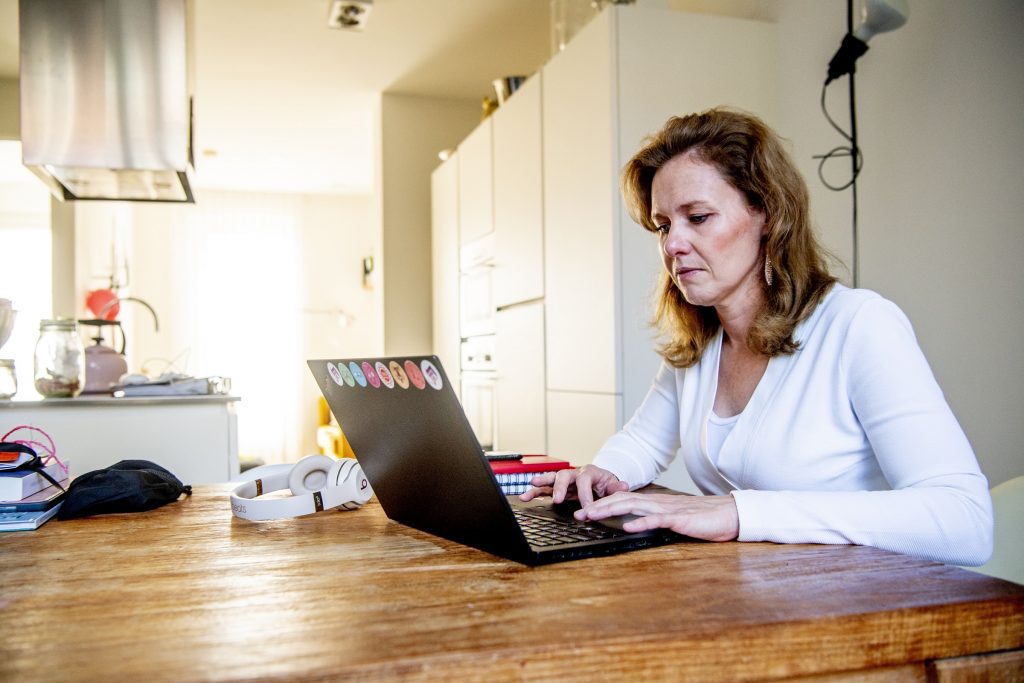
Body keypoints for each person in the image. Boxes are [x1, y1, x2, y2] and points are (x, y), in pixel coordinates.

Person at [521, 107, 993, 566]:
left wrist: (738, 513)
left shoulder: (859, 325)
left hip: (853, 601)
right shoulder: (703, 342)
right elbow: (642, 442)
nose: (672, 245)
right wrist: (601, 475)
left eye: (698, 217)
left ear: (766, 214)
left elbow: (964, 521)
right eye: (663, 226)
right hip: (745, 592)